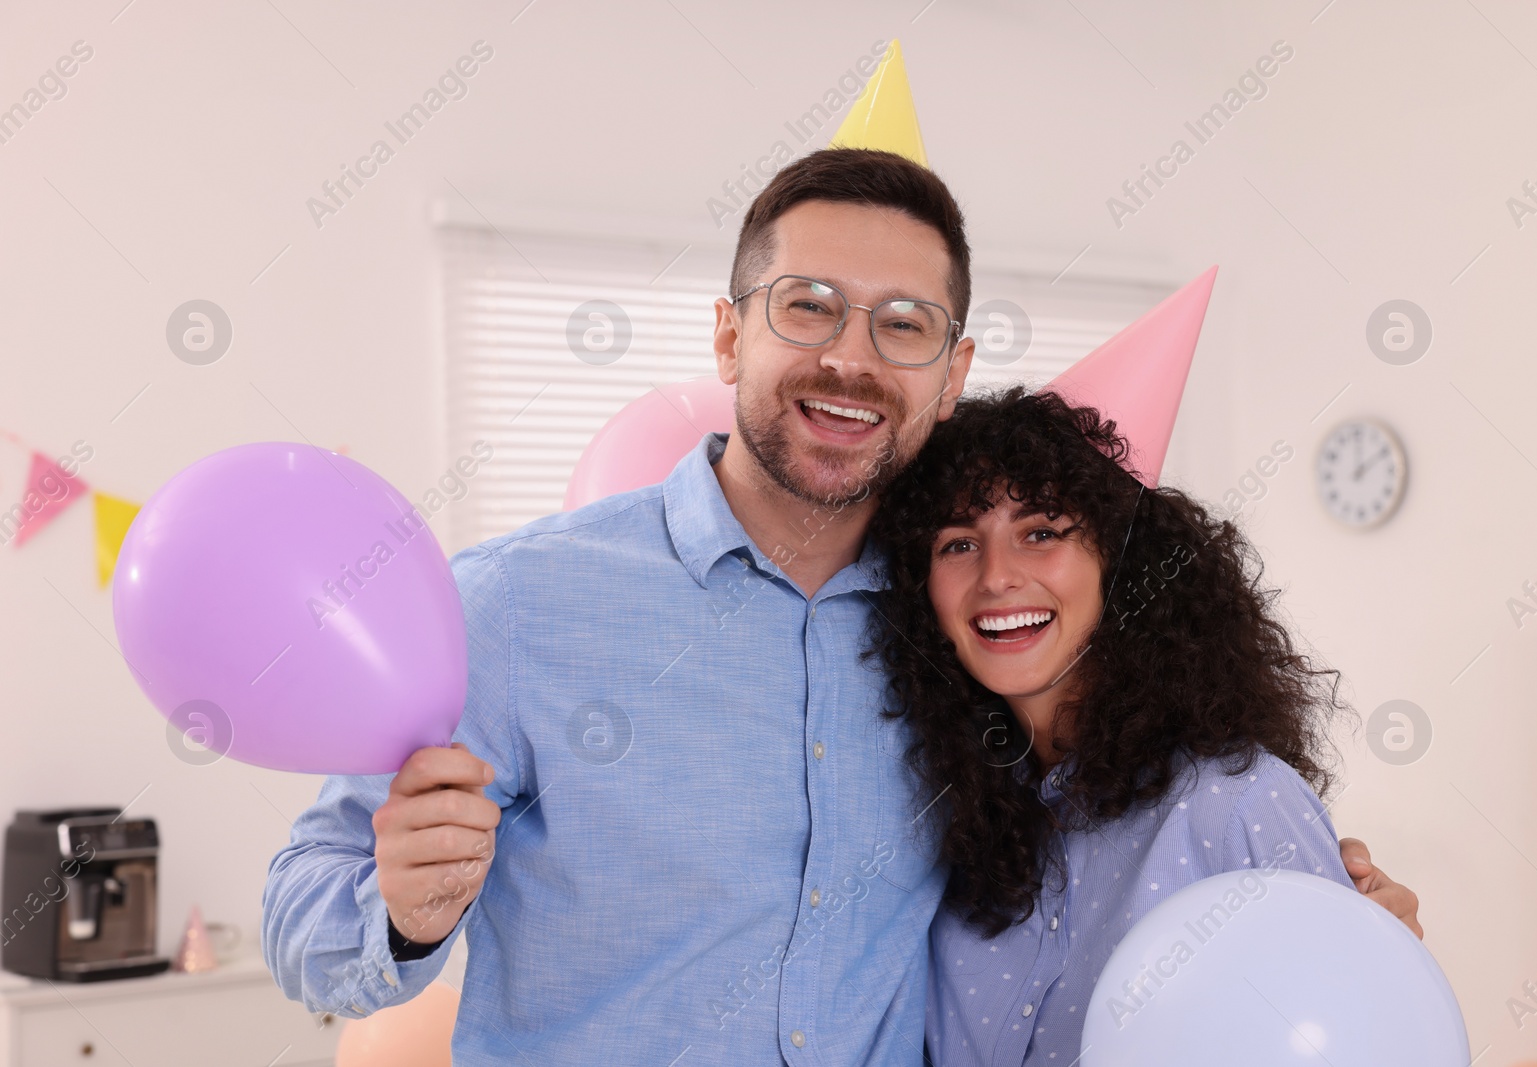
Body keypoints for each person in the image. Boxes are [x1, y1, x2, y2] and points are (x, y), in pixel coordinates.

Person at [261, 147, 1417, 1065]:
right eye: (807, 306)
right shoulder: (514, 605)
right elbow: (307, 916)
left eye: (902, 323)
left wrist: (1335, 923)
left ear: (950, 371)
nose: (851, 359)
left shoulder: (958, 639)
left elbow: (1111, 842)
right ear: (729, 331)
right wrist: (400, 911)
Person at [868, 385, 1384, 1064]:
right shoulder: (944, 825)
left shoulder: (1238, 805)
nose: (996, 577)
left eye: (1041, 532)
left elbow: (1361, 1034)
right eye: (959, 543)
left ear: (1120, 560)